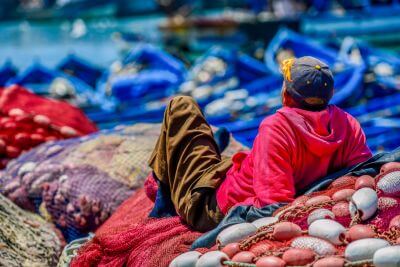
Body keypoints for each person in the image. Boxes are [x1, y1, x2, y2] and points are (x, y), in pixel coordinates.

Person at [148, 56, 372, 232]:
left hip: (209, 205)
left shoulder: (276, 129)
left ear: (285, 95)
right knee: (219, 157)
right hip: (234, 173)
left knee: (181, 106)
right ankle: (211, 150)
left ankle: (165, 192)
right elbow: (360, 171)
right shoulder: (348, 124)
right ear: (331, 94)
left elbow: (273, 204)